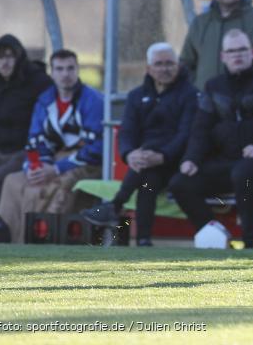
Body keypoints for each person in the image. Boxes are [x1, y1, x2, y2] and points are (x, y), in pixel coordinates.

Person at [169, 30, 253, 249]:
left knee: (244, 174)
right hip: (227, 162)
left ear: (252, 52)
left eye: (242, 49)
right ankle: (218, 238)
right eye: (231, 51)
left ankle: (251, 245)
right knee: (180, 183)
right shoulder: (213, 86)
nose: (237, 55)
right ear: (223, 56)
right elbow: (201, 128)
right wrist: (191, 159)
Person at [80, 43, 197, 245]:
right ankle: (143, 240)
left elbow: (186, 134)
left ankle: (116, 207)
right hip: (146, 163)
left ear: (178, 66)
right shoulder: (136, 96)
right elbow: (127, 132)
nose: (165, 69)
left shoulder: (190, 95)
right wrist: (129, 154)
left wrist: (162, 156)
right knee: (148, 180)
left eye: (169, 63)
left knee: (147, 172)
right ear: (148, 68)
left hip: (177, 161)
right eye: (159, 64)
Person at [0, 50, 104, 243]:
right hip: (52, 161)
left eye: (70, 68)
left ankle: (42, 241)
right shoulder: (45, 100)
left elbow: (97, 148)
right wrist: (35, 167)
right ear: (52, 73)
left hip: (85, 163)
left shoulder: (93, 100)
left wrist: (55, 169)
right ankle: (7, 242)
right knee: (12, 181)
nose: (65, 74)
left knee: (58, 184)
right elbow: (35, 139)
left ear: (77, 70)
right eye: (59, 69)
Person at [0, 35, 52, 211]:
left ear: (19, 57)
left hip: (26, 150)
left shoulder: (39, 82)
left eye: (9, 56)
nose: (5, 62)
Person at [180, 0, 253, 91]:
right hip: (205, 98)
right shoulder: (200, 23)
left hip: (249, 98)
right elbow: (186, 63)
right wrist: (195, 89)